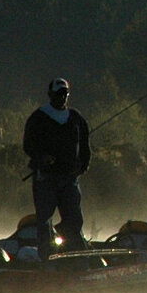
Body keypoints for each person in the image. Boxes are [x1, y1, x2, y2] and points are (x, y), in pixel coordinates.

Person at [22, 77, 91, 256]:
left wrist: (82, 166)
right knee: (44, 220)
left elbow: (85, 146)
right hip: (45, 178)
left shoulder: (76, 118)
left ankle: (74, 255)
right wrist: (41, 157)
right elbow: (28, 144)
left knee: (74, 220)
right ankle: (46, 256)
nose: (62, 97)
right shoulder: (39, 117)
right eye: (58, 94)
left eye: (65, 94)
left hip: (69, 179)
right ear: (50, 94)